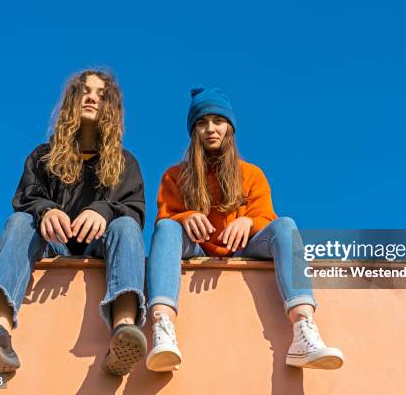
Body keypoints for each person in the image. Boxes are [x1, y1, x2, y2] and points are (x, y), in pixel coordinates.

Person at [0, 70, 147, 376]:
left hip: (100, 251)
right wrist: (46, 209)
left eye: (101, 94)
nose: (91, 97)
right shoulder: (43, 157)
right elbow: (25, 198)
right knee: (20, 220)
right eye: (84, 91)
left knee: (125, 227)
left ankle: (123, 330)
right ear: (72, 100)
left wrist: (103, 210)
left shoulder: (125, 162)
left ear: (110, 108)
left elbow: (134, 211)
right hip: (52, 246)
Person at [145, 87, 344, 372]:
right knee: (166, 227)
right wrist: (185, 217)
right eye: (202, 122)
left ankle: (303, 329)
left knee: (286, 225)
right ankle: (162, 329)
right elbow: (165, 215)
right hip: (194, 245)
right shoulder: (174, 175)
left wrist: (249, 221)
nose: (210, 129)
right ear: (193, 131)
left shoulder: (251, 174)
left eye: (218, 121)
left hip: (246, 246)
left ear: (230, 127)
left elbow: (267, 216)